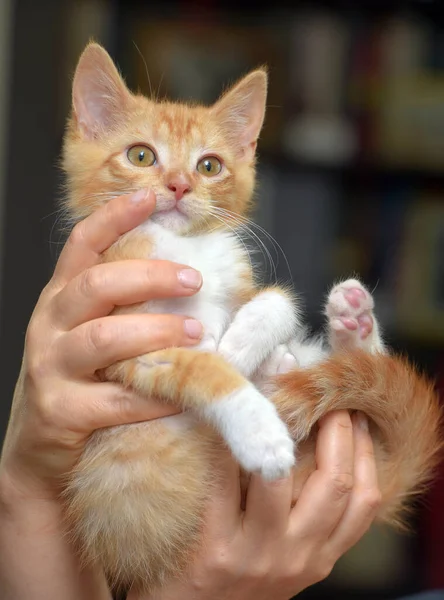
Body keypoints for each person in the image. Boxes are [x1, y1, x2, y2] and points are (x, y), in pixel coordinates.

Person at [0, 190, 381, 600]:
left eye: (209, 165)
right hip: (163, 501)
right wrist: (24, 487)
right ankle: (359, 382)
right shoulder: (119, 260)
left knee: (292, 372)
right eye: (142, 156)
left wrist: (24, 489)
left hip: (221, 460)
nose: (179, 184)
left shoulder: (208, 251)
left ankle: (360, 380)